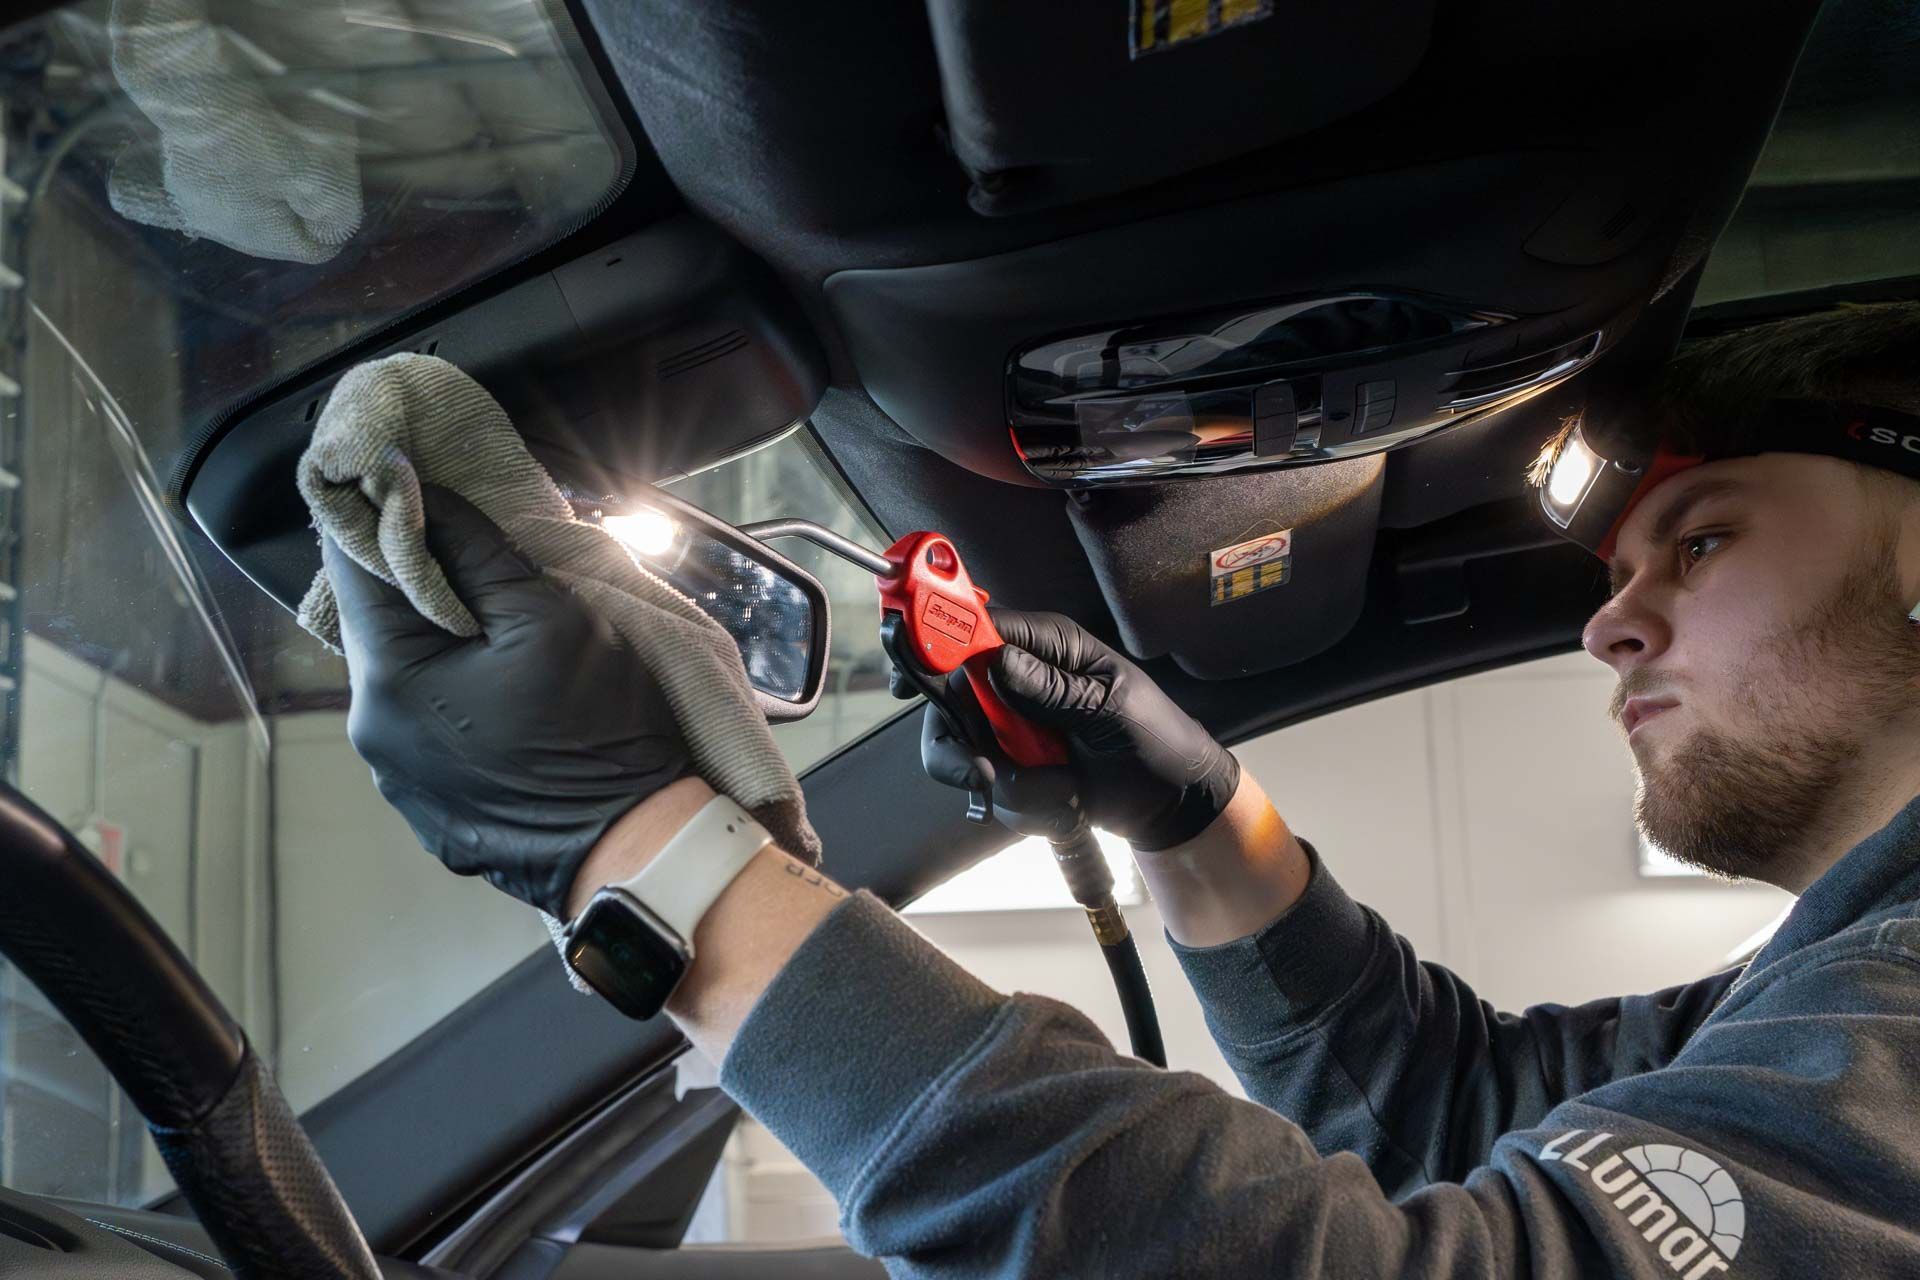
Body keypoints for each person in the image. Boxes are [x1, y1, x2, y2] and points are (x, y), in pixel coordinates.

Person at [325, 302, 1920, 1277]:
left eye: (1699, 541)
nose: (1607, 618)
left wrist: (654, 861)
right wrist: (1196, 816)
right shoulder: (1831, 993)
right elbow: (1458, 1113)